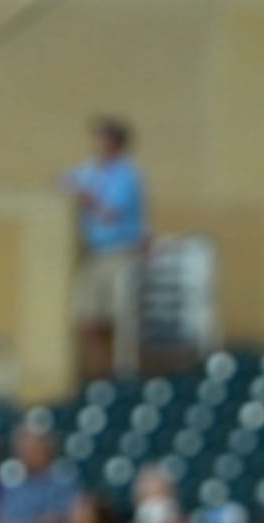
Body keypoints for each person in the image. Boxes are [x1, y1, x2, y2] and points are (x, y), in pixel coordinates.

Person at [59, 116, 147, 380]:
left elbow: (111, 213)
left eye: (103, 140)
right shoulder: (89, 170)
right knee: (86, 317)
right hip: (94, 254)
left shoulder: (127, 175)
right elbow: (62, 183)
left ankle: (117, 377)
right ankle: (96, 376)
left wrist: (86, 197)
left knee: (116, 319)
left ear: (116, 144)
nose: (97, 145)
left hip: (119, 252)